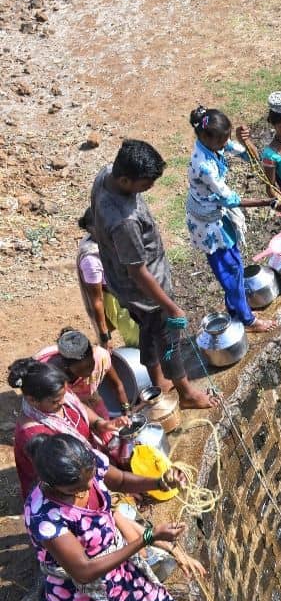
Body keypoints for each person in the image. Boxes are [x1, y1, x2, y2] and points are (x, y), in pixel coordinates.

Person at [24, 433, 194, 601]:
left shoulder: (88, 463)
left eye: (91, 478)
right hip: (89, 599)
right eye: (76, 489)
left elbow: (121, 480)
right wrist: (147, 538)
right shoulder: (44, 516)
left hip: (124, 574)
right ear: (52, 484)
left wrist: (160, 482)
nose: (87, 487)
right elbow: (84, 571)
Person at [89, 139, 219, 410]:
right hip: (146, 291)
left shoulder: (104, 176)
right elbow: (138, 271)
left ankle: (156, 376)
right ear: (125, 180)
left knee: (148, 330)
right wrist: (171, 307)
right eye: (146, 184)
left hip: (122, 283)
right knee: (169, 338)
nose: (150, 188)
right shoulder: (124, 221)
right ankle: (186, 393)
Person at [7, 358, 181, 498]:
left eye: (64, 396)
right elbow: (66, 477)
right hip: (66, 486)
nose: (62, 403)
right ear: (32, 400)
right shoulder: (33, 434)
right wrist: (110, 489)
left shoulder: (60, 396)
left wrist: (102, 424)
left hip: (87, 467)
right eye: (55, 401)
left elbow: (81, 409)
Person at [186, 106, 281, 334]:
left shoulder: (214, 143)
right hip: (209, 222)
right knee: (230, 268)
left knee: (233, 263)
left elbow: (251, 157)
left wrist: (245, 142)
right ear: (204, 137)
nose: (225, 144)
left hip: (216, 214)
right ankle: (248, 320)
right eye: (223, 141)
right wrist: (268, 202)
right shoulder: (203, 165)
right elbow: (230, 199)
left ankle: (236, 309)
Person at [34, 327, 130, 422]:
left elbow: (117, 385)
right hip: (63, 405)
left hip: (89, 397)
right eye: (81, 370)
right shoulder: (49, 375)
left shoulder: (100, 357)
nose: (89, 372)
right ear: (66, 365)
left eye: (90, 365)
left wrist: (126, 409)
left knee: (105, 425)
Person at [76, 208, 140, 348]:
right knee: (140, 342)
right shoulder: (91, 259)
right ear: (90, 229)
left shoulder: (110, 242)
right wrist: (104, 335)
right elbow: (97, 300)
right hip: (118, 303)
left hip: (133, 294)